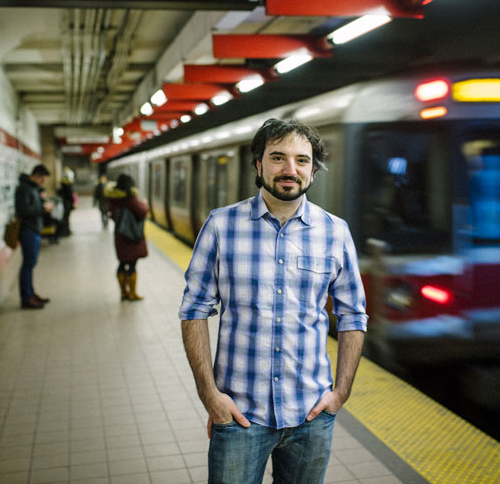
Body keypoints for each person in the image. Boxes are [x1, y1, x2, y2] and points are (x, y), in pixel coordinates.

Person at [179, 118, 368, 484]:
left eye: (302, 160)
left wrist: (340, 393)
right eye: (278, 157)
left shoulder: (335, 232)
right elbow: (193, 311)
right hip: (238, 415)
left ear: (313, 170)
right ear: (258, 165)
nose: (289, 169)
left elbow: (352, 315)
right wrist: (210, 395)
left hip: (311, 416)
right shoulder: (221, 226)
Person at [15, 164, 54, 309]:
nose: (43, 183)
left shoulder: (33, 188)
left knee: (31, 263)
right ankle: (26, 297)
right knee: (28, 264)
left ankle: (30, 293)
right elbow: (23, 210)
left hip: (34, 230)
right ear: (36, 176)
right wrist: (43, 208)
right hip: (28, 231)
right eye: (42, 180)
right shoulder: (23, 189)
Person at [105, 173, 148, 301]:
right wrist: (144, 204)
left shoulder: (112, 198)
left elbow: (113, 215)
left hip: (120, 235)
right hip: (132, 236)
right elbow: (141, 212)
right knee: (132, 264)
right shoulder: (130, 198)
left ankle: (123, 292)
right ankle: (132, 293)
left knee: (122, 263)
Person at [57, 167, 75, 237]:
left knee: (65, 218)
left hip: (66, 203)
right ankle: (66, 231)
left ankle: (66, 231)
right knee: (66, 218)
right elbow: (70, 195)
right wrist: (73, 202)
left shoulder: (64, 185)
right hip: (67, 203)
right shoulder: (68, 185)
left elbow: (60, 193)